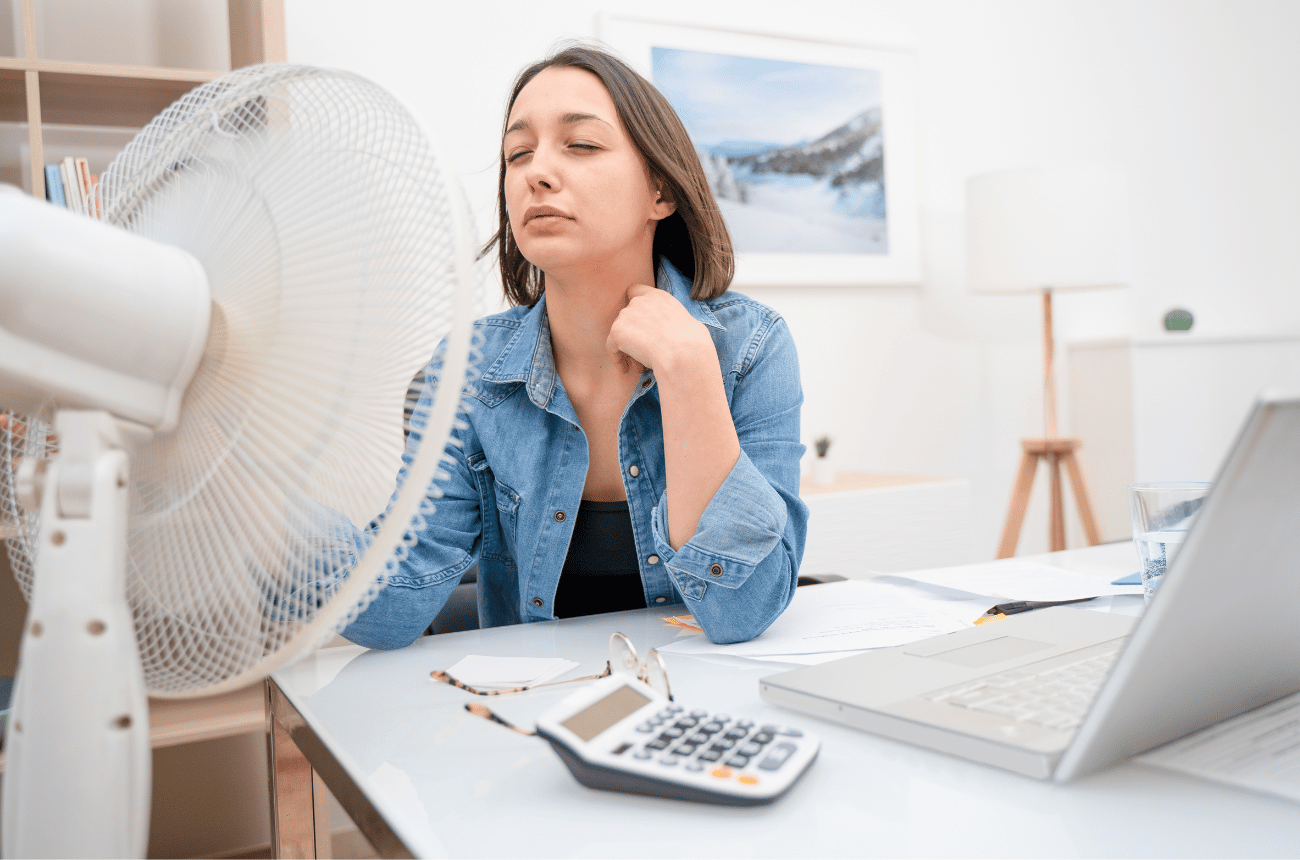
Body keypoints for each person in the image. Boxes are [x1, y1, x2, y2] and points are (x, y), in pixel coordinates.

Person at [342, 44, 807, 649]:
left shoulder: (751, 347)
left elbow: (742, 612)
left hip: (700, 710)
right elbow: (391, 609)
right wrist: (257, 511)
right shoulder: (467, 369)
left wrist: (689, 373)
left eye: (581, 145)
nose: (537, 172)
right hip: (531, 710)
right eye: (518, 153)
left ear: (660, 193)